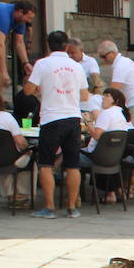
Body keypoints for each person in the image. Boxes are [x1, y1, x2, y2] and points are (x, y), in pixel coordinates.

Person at [25, 31, 88, 220]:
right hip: (73, 118)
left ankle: (49, 207)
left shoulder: (42, 64)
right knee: (72, 165)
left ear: (48, 45)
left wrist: (40, 88)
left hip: (51, 118)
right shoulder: (76, 66)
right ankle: (71, 207)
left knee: (45, 163)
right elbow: (84, 96)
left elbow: (28, 90)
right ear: (67, 46)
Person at [97, 40, 134, 125]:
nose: (103, 60)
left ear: (111, 53)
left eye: (103, 57)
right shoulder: (125, 61)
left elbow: (114, 91)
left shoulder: (120, 65)